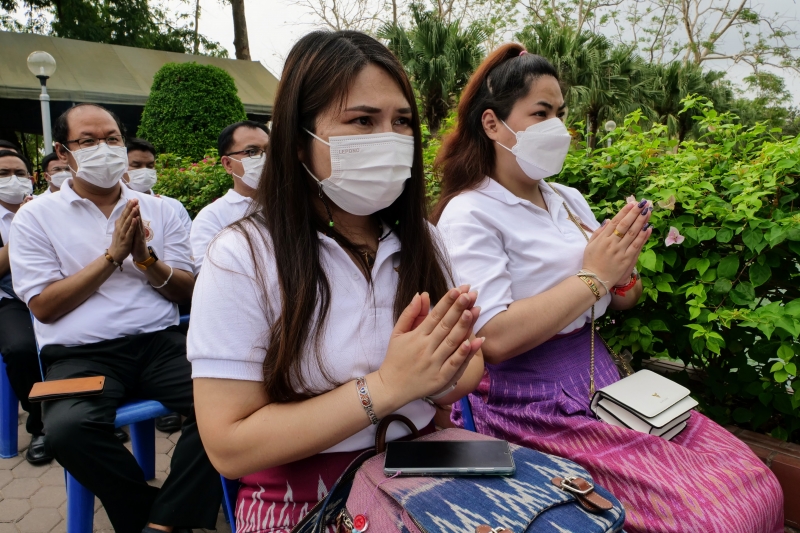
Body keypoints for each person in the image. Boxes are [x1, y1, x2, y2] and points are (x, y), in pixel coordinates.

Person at [433, 44, 783, 533]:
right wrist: (594, 275)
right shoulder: (471, 213)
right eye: (541, 112)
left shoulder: (567, 198)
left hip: (603, 379)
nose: (559, 126)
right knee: (709, 518)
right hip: (531, 404)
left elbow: (622, 300)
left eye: (561, 112)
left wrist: (623, 272)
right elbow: (493, 339)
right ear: (493, 124)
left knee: (756, 483)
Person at [188, 31, 485, 531]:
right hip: (305, 498)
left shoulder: (424, 241)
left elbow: (463, 374)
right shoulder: (244, 255)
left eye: (402, 122)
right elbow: (228, 446)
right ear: (300, 140)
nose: (390, 139)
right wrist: (388, 386)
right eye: (363, 120)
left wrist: (445, 368)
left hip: (427, 470)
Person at [9, 103, 221, 533]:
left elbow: (188, 291)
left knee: (228, 406)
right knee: (67, 430)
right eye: (87, 141)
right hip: (79, 355)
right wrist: (112, 257)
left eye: (111, 139)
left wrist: (146, 260)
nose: (102, 149)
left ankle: (160, 525)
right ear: (63, 152)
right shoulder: (35, 217)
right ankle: (161, 512)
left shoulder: (163, 209)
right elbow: (44, 306)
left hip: (160, 344)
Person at [0, 150, 49, 465]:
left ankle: (92, 412)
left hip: (52, 292)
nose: (13, 180)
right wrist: (20, 224)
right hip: (11, 300)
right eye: (4, 174)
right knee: (20, 348)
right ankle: (41, 424)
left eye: (19, 172)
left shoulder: (49, 207)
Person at [189, 120, 268, 272]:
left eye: (270, 150)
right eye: (252, 152)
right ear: (228, 164)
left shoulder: (293, 206)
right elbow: (205, 274)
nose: (265, 158)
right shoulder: (212, 217)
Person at [125, 138, 192, 236]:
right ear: (121, 167)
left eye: (150, 166)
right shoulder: (114, 206)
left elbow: (187, 244)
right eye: (136, 165)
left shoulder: (173, 206)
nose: (145, 171)